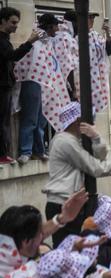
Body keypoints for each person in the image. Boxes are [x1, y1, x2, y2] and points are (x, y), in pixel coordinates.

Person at [43, 102, 111, 244]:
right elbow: (95, 167)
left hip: (71, 202)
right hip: (64, 203)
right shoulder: (65, 142)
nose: (92, 123)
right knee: (71, 247)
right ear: (78, 121)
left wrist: (95, 137)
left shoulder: (74, 141)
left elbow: (100, 156)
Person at [15, 12, 59, 164]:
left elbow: (52, 64)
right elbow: (25, 60)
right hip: (32, 81)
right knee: (30, 118)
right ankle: (25, 151)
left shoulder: (47, 43)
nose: (57, 30)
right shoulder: (35, 39)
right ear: (50, 26)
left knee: (41, 119)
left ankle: (38, 150)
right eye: (55, 26)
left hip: (45, 83)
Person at [0, 7, 41, 164]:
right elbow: (12, 56)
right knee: (2, 120)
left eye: (17, 23)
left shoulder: (5, 39)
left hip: (5, 84)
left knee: (4, 120)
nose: (16, 26)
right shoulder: (1, 40)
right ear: (2, 21)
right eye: (13, 22)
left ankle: (3, 153)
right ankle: (2, 154)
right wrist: (30, 42)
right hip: (2, 85)